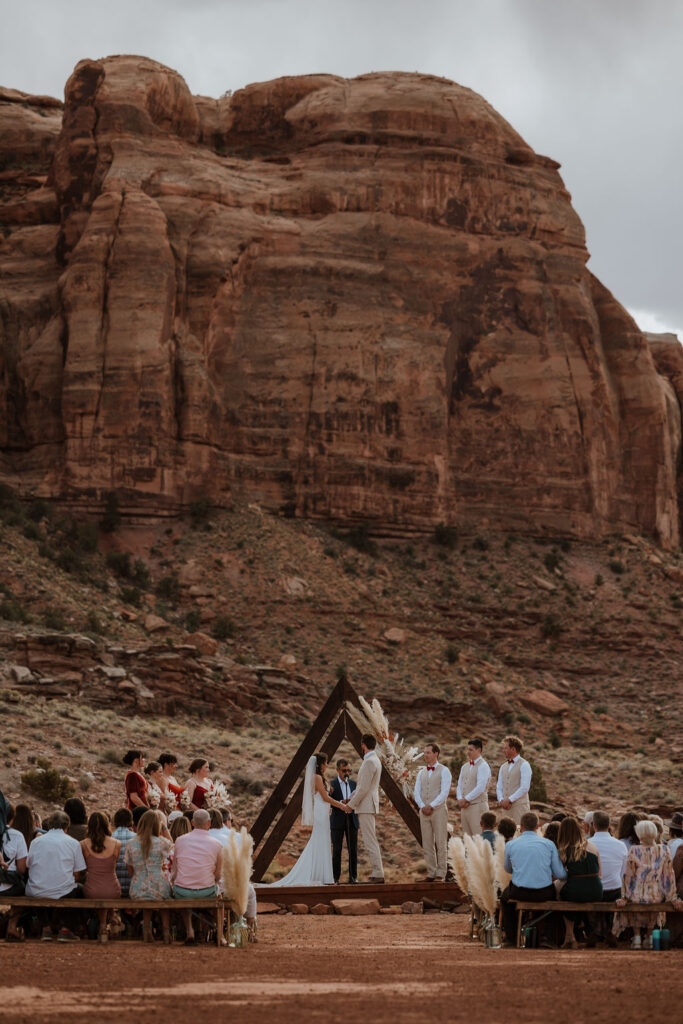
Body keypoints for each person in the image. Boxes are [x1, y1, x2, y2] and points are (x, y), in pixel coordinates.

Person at [268, 753, 351, 887]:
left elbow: (326, 799)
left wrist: (340, 802)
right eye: (325, 763)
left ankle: (322, 875)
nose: (327, 765)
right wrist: (342, 806)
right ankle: (320, 875)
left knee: (322, 840)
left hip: (324, 812)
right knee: (319, 839)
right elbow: (325, 798)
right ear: (320, 764)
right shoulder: (317, 777)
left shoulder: (319, 777)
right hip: (321, 813)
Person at [500, 811, 567, 945]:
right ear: (538, 826)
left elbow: (507, 869)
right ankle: (547, 938)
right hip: (543, 892)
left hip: (519, 891)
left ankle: (511, 938)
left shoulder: (511, 845)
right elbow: (560, 874)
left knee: (504, 898)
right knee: (555, 900)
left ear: (522, 827)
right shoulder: (549, 845)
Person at [613, 819, 682, 948]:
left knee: (634, 901)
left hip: (637, 894)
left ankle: (637, 937)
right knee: (653, 903)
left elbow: (628, 876)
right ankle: (650, 937)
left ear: (640, 834)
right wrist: (672, 897)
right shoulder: (664, 849)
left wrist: (625, 896)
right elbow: (668, 876)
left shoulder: (634, 850)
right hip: (656, 894)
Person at [25, 810, 86, 942]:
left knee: (40, 887)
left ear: (50, 824)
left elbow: (29, 866)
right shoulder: (73, 843)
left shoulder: (36, 842)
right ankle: (66, 928)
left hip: (36, 890)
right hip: (63, 891)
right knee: (78, 889)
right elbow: (77, 874)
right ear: (67, 826)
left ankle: (46, 928)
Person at [172, 809, 223, 944]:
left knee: (182, 889)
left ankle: (190, 930)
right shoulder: (217, 844)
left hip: (182, 891)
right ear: (209, 823)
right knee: (220, 897)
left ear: (192, 822)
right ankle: (220, 934)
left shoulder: (179, 840)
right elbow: (218, 874)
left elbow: (175, 870)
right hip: (207, 891)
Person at [125, 809, 173, 942]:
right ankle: (166, 931)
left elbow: (130, 869)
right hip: (159, 885)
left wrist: (139, 879)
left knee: (148, 897)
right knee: (164, 899)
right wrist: (164, 826)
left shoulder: (131, 843)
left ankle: (147, 930)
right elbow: (173, 847)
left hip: (137, 888)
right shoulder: (162, 842)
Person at [556, 816, 603, 948]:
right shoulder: (593, 847)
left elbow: (561, 875)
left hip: (575, 890)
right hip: (596, 891)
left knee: (560, 895)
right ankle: (572, 935)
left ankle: (570, 935)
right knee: (571, 892)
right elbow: (600, 873)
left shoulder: (563, 850)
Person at [587, 810, 627, 947]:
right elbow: (624, 872)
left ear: (594, 826)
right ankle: (607, 930)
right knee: (612, 891)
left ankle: (596, 930)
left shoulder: (587, 844)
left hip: (593, 890)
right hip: (614, 890)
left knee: (592, 893)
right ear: (609, 825)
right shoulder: (620, 845)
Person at [347, 734, 384, 883]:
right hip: (368, 804)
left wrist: (350, 805)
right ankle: (377, 872)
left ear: (363, 745)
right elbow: (362, 787)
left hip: (366, 805)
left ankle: (378, 873)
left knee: (370, 840)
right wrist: (350, 797)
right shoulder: (374, 760)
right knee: (370, 839)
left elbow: (363, 788)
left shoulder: (369, 762)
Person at [414, 742, 452, 880]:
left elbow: (444, 792)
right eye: (424, 752)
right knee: (427, 842)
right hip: (423, 811)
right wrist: (422, 806)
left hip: (439, 811)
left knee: (441, 841)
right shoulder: (421, 772)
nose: (425, 755)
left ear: (436, 753)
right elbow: (416, 791)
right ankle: (431, 872)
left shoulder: (444, 770)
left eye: (428, 752)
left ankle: (441, 872)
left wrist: (432, 806)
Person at [81, 812, 121, 942]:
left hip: (92, 889)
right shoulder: (117, 844)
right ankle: (112, 918)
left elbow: (84, 868)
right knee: (106, 890)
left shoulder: (83, 844)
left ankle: (103, 926)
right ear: (107, 825)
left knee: (98, 889)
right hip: (113, 889)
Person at [1, 802, 28, 942]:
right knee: (24, 889)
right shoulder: (17, 836)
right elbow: (22, 869)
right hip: (8, 886)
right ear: (11, 818)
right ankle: (11, 927)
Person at [329, 758, 359, 884]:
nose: (346, 773)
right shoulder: (332, 784)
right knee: (337, 850)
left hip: (352, 820)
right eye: (344, 770)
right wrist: (342, 803)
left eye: (349, 770)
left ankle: (353, 877)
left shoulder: (353, 784)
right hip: (337, 821)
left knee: (353, 850)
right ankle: (335, 878)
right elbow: (328, 802)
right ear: (337, 770)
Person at [455, 737, 490, 838]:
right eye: (467, 749)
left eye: (471, 750)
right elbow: (459, 785)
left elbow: (481, 787)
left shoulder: (483, 766)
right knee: (468, 839)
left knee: (479, 838)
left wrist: (466, 799)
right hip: (465, 808)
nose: (468, 752)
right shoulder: (464, 766)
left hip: (477, 807)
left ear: (478, 750)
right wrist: (460, 799)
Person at [496, 736, 531, 825]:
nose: (503, 750)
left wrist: (510, 799)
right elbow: (499, 786)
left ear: (513, 749)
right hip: (505, 809)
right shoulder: (503, 766)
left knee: (519, 833)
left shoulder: (524, 765)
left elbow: (525, 787)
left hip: (520, 808)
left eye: (505, 748)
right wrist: (501, 800)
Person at [111, 808, 136, 898]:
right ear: (130, 821)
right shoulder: (136, 838)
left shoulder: (109, 837)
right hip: (133, 887)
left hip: (113, 887)